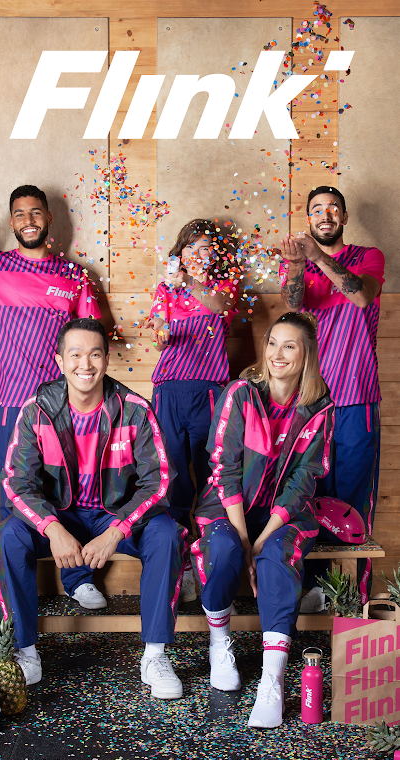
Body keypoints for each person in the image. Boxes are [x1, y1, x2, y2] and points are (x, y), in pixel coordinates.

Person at [0, 318, 185, 697]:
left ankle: (156, 655)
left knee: (166, 532)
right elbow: (16, 481)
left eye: (95, 354)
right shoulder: (37, 410)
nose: (85, 364)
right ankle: (25, 652)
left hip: (114, 515)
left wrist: (116, 532)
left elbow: (159, 481)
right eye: (75, 354)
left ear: (107, 359)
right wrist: (52, 529)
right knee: (7, 535)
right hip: (60, 516)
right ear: (60, 361)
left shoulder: (134, 410)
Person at [0, 180, 105, 610]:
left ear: (49, 218)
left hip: (62, 408)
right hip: (9, 404)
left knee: (70, 492)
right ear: (12, 221)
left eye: (36, 212)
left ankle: (78, 577)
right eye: (20, 213)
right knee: (10, 495)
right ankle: (10, 588)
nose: (28, 220)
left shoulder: (73, 276)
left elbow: (92, 337)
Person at [193, 312, 334, 728]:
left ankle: (272, 680)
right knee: (222, 547)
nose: (277, 354)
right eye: (273, 343)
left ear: (306, 355)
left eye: (289, 345)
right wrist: (242, 540)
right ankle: (220, 642)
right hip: (227, 506)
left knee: (275, 555)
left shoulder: (318, 407)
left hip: (283, 514)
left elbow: (304, 480)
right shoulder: (240, 394)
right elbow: (225, 469)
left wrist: (258, 544)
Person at [279, 186, 385, 607]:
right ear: (309, 219)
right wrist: (295, 266)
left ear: (343, 217)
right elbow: (293, 306)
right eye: (317, 209)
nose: (326, 214)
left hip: (358, 398)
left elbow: (361, 294)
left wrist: (319, 258)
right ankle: (316, 588)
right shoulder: (300, 264)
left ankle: (354, 599)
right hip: (312, 401)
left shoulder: (368, 256)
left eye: (333, 208)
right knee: (310, 497)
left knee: (354, 502)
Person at [144, 219, 239, 601]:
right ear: (179, 253)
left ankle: (212, 560)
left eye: (205, 249)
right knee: (174, 478)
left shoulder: (224, 286)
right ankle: (181, 563)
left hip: (210, 391)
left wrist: (189, 282)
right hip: (168, 391)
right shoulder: (166, 287)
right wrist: (160, 330)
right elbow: (158, 331)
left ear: (215, 255)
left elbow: (220, 306)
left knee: (212, 475)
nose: (197, 255)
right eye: (191, 248)